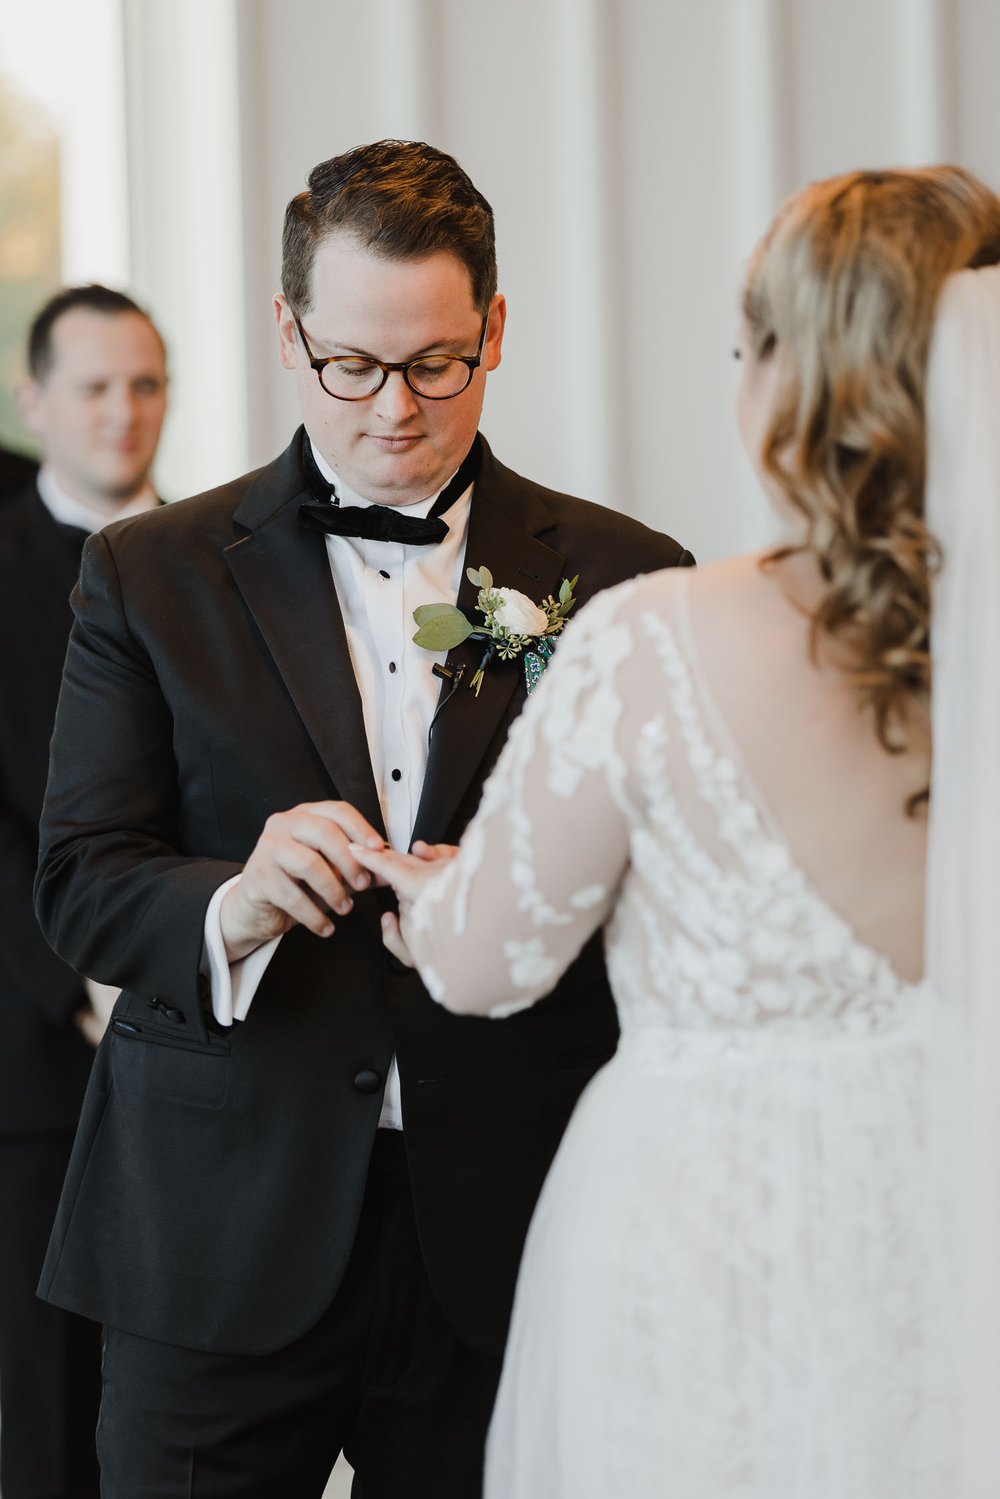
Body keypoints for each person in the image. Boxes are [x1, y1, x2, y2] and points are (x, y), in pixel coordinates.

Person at [32, 140, 693, 1496]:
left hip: (511, 1222)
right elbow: (83, 880)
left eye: (437, 362)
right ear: (288, 333)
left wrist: (519, 897)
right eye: (352, 365)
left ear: (496, 329)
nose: (394, 408)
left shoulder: (632, 578)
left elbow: (683, 898)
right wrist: (239, 895)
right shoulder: (147, 572)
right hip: (214, 1229)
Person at [352, 165, 1000, 1498]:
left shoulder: (656, 635)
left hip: (711, 1249)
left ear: (789, 377)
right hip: (963, 1229)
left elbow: (485, 966)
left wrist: (433, 890)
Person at [0, 284, 168, 1499]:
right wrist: (80, 978)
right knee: (44, 1407)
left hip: (209, 1039)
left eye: (146, 385)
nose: (124, 413)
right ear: (34, 399)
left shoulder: (224, 552)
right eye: (96, 387)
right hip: (35, 1054)